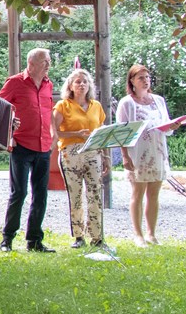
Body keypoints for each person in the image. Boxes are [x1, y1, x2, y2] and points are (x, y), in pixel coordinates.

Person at [0, 48, 56, 253]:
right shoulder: (15, 82)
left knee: (40, 194)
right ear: (31, 63)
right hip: (22, 145)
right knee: (19, 192)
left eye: (49, 60)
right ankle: (7, 238)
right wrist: (8, 128)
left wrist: (52, 137)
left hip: (43, 146)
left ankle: (34, 240)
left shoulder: (49, 85)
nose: (48, 64)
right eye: (44, 61)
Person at [116, 64, 177, 247]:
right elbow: (121, 132)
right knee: (138, 193)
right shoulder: (127, 103)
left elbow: (165, 126)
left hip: (157, 151)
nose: (145, 81)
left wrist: (172, 126)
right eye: (141, 78)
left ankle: (151, 233)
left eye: (147, 77)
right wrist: (125, 157)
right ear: (132, 81)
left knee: (154, 194)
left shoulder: (158, 100)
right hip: (137, 153)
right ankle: (138, 235)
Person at [52, 69, 109, 250]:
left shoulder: (96, 106)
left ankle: (97, 236)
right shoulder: (62, 105)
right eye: (77, 82)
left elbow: (102, 132)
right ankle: (78, 235)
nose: (81, 85)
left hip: (93, 152)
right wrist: (75, 133)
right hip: (71, 153)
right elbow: (54, 132)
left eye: (85, 82)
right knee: (75, 195)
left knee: (95, 193)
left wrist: (105, 155)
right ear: (70, 85)